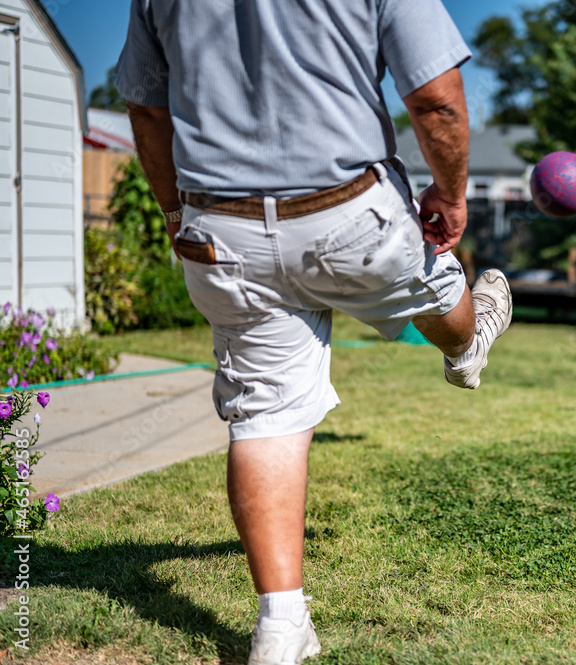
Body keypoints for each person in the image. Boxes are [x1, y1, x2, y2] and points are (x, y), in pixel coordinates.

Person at [115, 2, 512, 663]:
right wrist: (450, 192)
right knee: (443, 286)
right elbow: (436, 99)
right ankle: (468, 345)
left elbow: (147, 111)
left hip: (224, 228)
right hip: (347, 212)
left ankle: (280, 624)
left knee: (265, 414)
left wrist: (172, 211)